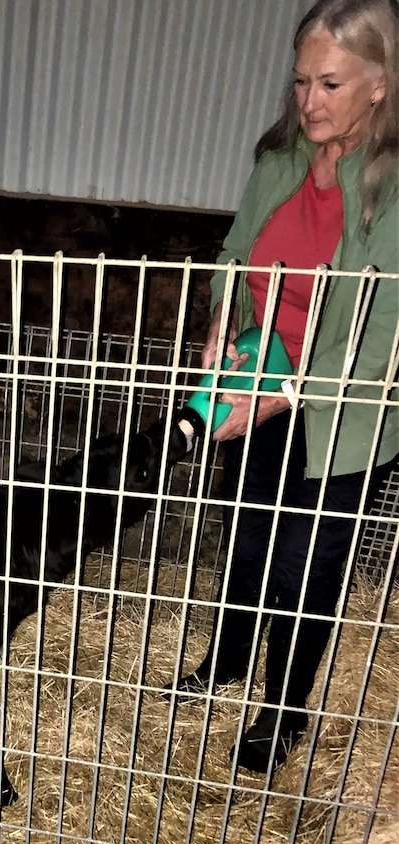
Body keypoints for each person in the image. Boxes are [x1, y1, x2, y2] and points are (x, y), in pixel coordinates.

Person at [166, 0, 399, 774]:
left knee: (307, 565)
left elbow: (378, 342)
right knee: (249, 534)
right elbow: (234, 253)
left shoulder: (396, 193)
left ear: (381, 83)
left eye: (330, 83)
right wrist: (219, 322)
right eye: (301, 81)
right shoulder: (281, 159)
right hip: (262, 373)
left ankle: (282, 710)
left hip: (343, 413)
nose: (308, 102)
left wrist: (284, 397)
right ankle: (228, 662)